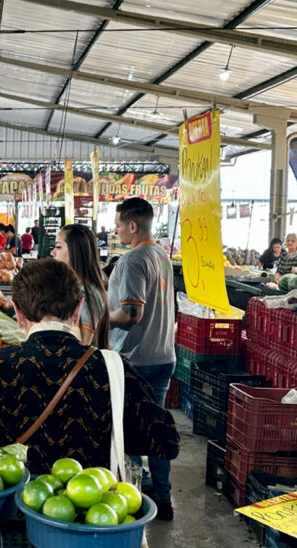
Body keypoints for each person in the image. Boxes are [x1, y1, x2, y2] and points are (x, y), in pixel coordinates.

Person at [0, 259, 170, 472]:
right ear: (78, 309)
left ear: (17, 312)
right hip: (91, 500)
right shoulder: (110, 366)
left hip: (14, 498)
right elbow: (164, 441)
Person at [107, 197, 176, 521]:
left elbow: (132, 313)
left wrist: (99, 319)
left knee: (129, 430)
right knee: (157, 427)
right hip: (163, 354)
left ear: (132, 226)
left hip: (136, 359)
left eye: (119, 224)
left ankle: (133, 495)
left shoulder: (133, 260)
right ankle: (162, 496)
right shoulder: (161, 254)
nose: (116, 230)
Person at [51, 224, 108, 346]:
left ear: (75, 250)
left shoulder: (86, 294)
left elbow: (81, 347)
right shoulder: (76, 288)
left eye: (58, 247)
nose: (52, 253)